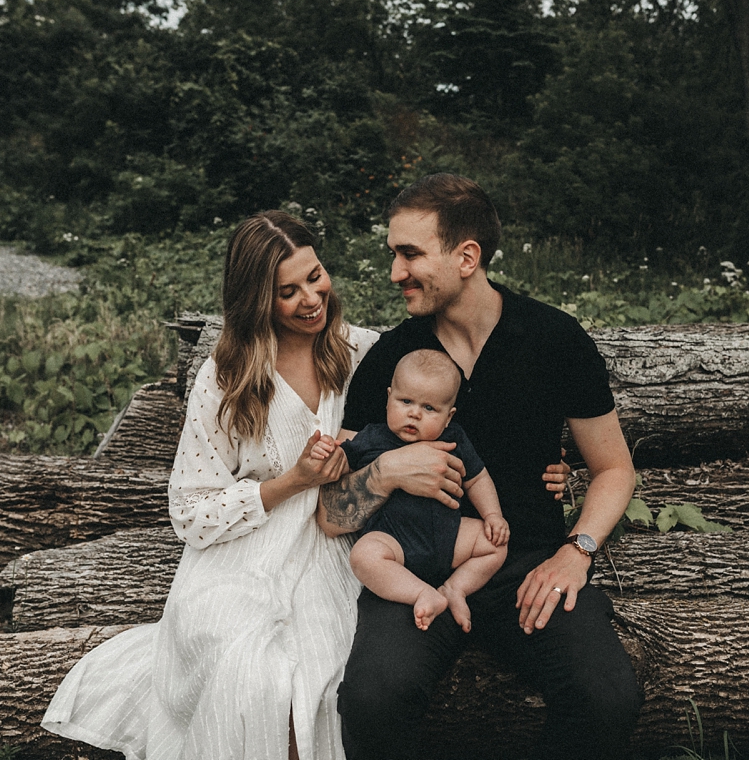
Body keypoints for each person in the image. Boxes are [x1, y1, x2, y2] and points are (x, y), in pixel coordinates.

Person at [316, 174, 644, 760]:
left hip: (528, 562)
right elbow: (333, 513)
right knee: (371, 701)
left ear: (467, 256)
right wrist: (386, 473)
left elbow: (614, 468)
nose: (395, 272)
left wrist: (577, 551)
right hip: (413, 568)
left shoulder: (554, 338)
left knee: (608, 698)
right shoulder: (393, 360)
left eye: (410, 254)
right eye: (393, 253)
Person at [41, 210, 380, 760]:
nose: (311, 299)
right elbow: (191, 512)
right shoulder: (228, 377)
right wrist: (292, 479)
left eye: (315, 276)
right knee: (251, 675)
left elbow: (443, 386)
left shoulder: (360, 352)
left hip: (332, 544)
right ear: (256, 300)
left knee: (317, 681)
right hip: (243, 549)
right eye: (287, 292)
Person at [312, 348, 509, 633]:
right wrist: (328, 452)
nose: (414, 413)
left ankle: (456, 588)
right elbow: (342, 465)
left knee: (495, 544)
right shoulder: (372, 437)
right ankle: (419, 592)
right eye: (405, 401)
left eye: (429, 408)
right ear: (389, 397)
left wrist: (493, 515)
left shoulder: (454, 440)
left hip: (449, 536)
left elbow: (477, 479)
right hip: (393, 541)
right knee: (364, 556)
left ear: (448, 416)